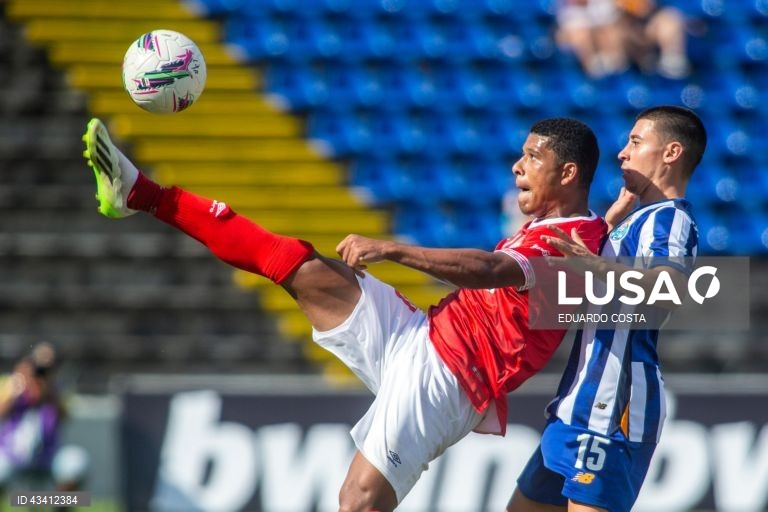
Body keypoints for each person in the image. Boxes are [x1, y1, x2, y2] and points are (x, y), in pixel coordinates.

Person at [83, 116, 607, 511]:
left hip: (450, 376)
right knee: (295, 262)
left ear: (567, 172)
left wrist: (393, 249)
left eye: (532, 157)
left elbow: (489, 269)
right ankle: (142, 193)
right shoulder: (572, 229)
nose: (517, 165)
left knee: (357, 500)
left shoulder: (572, 243)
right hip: (422, 335)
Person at [507, 105, 706, 512]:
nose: (622, 152)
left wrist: (597, 264)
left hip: (611, 409)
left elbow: (671, 288)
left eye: (635, 141)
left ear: (670, 153)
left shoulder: (669, 220)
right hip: (573, 407)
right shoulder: (635, 220)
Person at [0, 342, 89, 494]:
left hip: (48, 457)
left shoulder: (56, 390)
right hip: (12, 455)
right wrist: (16, 386)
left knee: (76, 463)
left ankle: (58, 506)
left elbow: (65, 416)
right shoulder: (13, 386)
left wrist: (49, 390)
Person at [616, 0, 691, 79]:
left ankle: (672, 60)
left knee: (669, 19)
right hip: (631, 56)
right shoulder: (621, 19)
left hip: (658, 57)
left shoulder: (665, 17)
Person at [554, 0, 628, 78]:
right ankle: (591, 65)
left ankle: (613, 60)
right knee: (579, 35)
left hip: (597, 8)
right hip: (574, 13)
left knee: (609, 30)